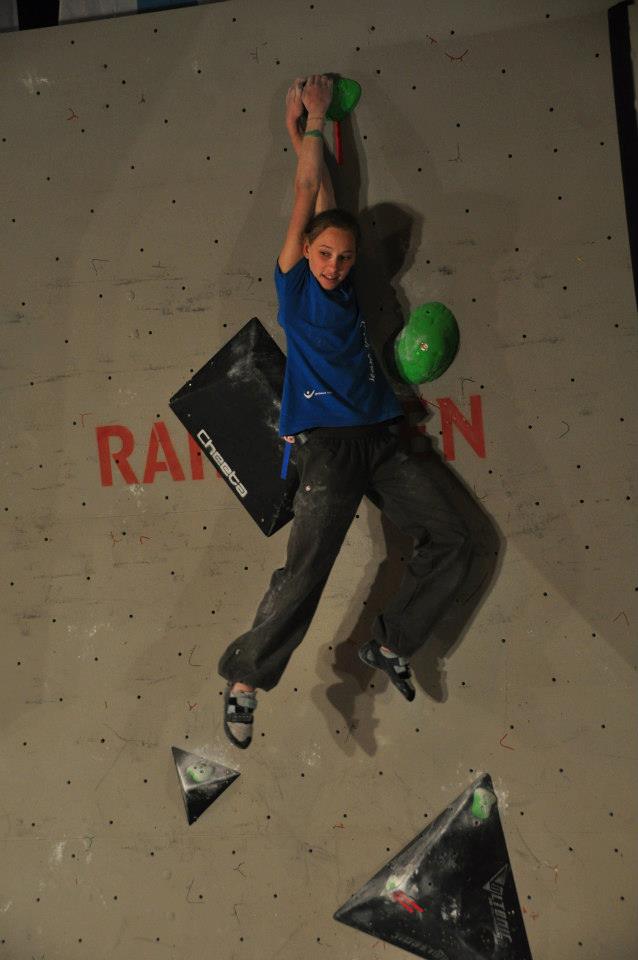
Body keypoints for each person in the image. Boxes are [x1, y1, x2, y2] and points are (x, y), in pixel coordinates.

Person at [218, 75, 473, 748]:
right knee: (306, 572)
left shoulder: (347, 287)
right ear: (304, 252)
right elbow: (308, 194)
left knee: (454, 537)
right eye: (324, 254)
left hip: (383, 439)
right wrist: (313, 118)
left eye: (344, 257)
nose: (332, 265)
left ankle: (390, 642)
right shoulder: (294, 285)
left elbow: (329, 199)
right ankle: (244, 681)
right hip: (327, 448)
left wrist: (305, 131)